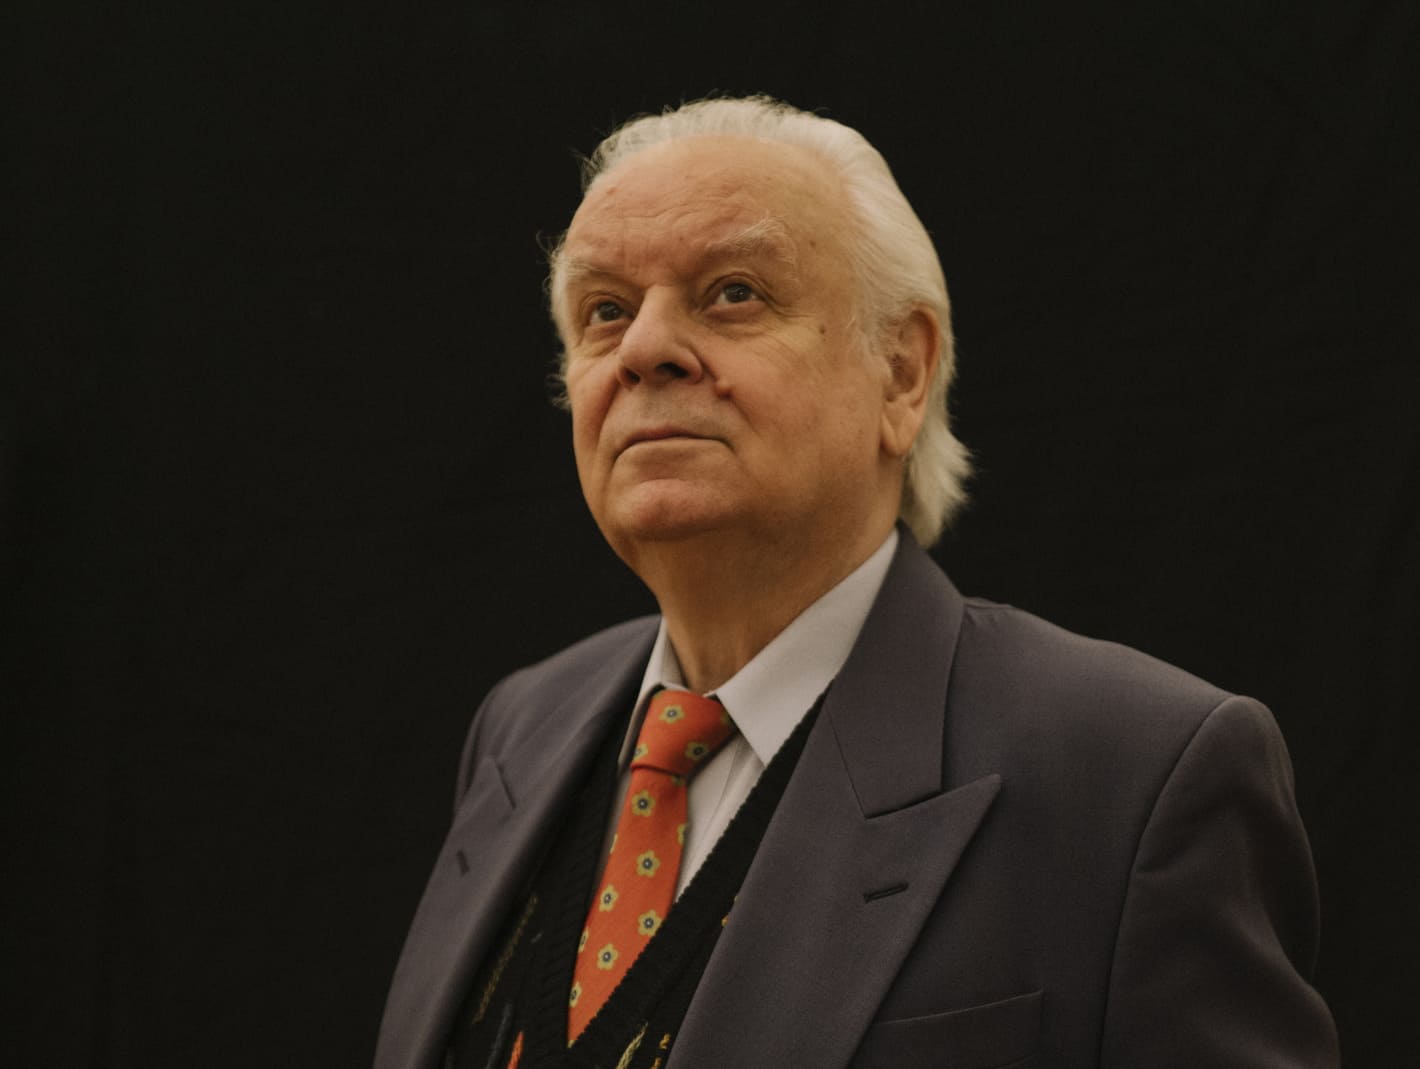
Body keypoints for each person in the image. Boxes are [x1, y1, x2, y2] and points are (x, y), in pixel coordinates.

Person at [376, 95, 1339, 1069]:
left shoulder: (1134, 774)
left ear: (902, 373)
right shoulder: (522, 729)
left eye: (733, 293)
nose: (643, 349)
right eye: (605, 311)